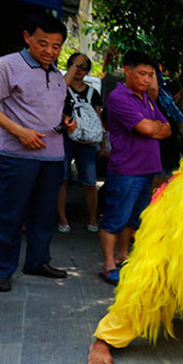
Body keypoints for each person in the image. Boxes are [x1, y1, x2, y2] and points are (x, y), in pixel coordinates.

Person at [0, 13, 75, 293]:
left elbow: (49, 111)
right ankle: (0, 270)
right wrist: (19, 132)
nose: (49, 51)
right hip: (17, 156)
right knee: (9, 215)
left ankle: (37, 262)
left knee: (44, 216)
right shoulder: (6, 65)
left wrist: (66, 122)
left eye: (56, 46)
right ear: (27, 37)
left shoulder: (56, 74)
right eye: (43, 43)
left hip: (53, 157)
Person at [97, 50, 170, 285]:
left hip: (148, 169)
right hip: (126, 170)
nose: (147, 79)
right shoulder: (119, 97)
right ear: (127, 70)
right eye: (142, 74)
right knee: (115, 217)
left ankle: (123, 257)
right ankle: (108, 264)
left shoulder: (146, 98)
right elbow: (148, 129)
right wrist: (153, 127)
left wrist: (153, 126)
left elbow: (167, 128)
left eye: (151, 75)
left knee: (133, 219)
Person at [57, 52, 103, 234]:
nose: (80, 70)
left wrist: (102, 142)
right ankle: (62, 218)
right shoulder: (60, 87)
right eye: (76, 65)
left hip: (88, 141)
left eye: (84, 67)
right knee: (62, 179)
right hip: (63, 139)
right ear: (70, 66)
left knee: (90, 181)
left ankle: (93, 218)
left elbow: (98, 118)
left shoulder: (93, 92)